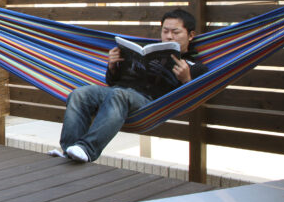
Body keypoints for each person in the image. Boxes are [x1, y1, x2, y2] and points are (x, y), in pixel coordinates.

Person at [52, 8, 208, 163]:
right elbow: (112, 82)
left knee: (119, 95)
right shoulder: (152, 53)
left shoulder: (195, 67)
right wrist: (112, 66)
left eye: (175, 32)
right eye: (165, 31)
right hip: (118, 91)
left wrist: (187, 79)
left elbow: (191, 99)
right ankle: (69, 150)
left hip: (149, 103)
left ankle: (87, 149)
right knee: (79, 94)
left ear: (191, 35)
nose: (169, 36)